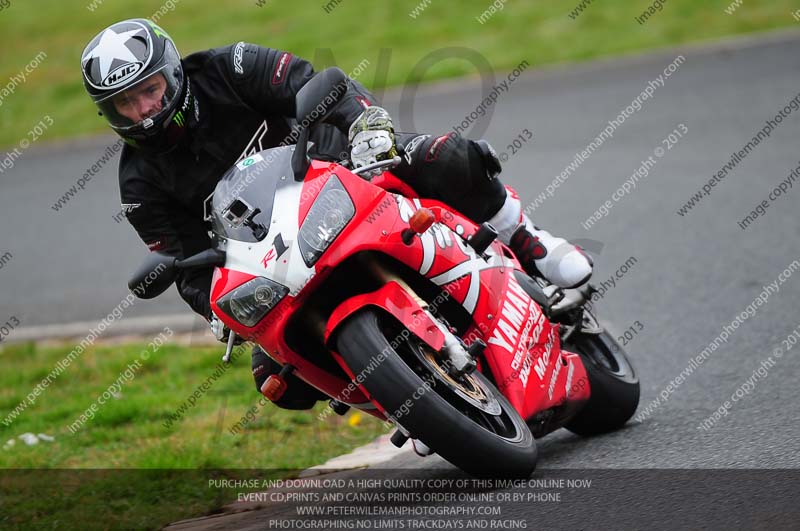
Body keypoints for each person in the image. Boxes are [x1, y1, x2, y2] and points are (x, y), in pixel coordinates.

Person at [81, 18, 592, 410]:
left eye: (149, 91)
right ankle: (404, 401)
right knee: (276, 379)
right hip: (275, 258)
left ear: (171, 75)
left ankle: (528, 241)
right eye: (125, 103)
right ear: (110, 113)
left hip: (343, 172)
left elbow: (318, 82)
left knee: (445, 156)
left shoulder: (228, 67)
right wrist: (221, 311)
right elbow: (186, 265)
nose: (144, 110)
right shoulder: (139, 184)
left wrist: (365, 127)